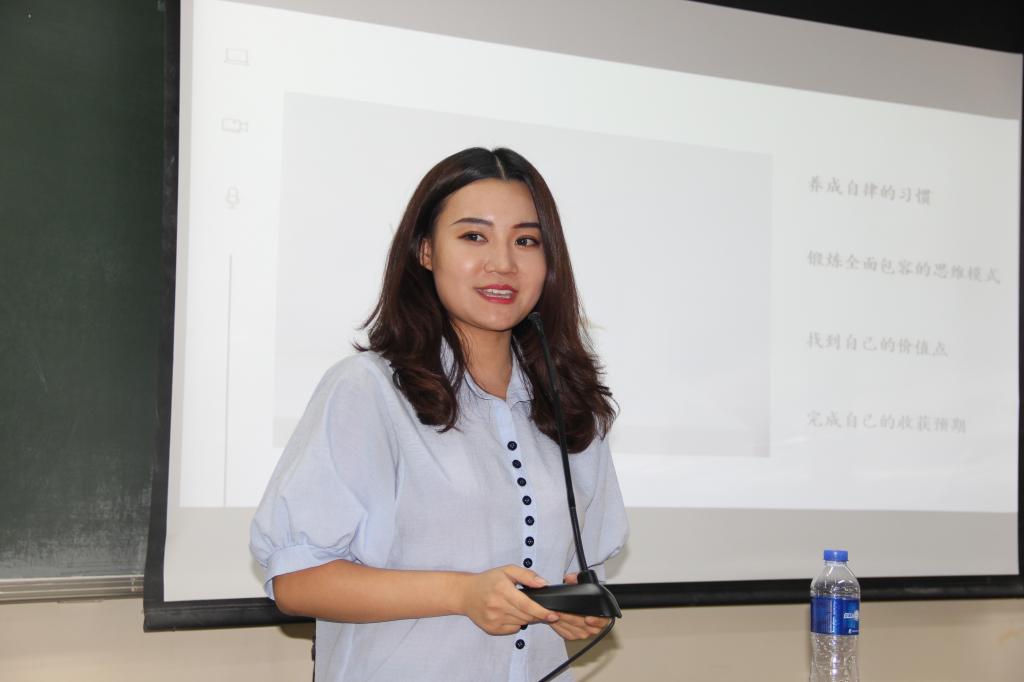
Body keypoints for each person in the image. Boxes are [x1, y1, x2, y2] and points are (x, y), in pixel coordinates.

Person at [250, 147, 628, 681]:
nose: (503, 263)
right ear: (426, 251)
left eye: (526, 241)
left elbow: (578, 569)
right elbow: (296, 581)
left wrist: (575, 607)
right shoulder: (368, 390)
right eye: (474, 236)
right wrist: (461, 593)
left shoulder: (572, 404)